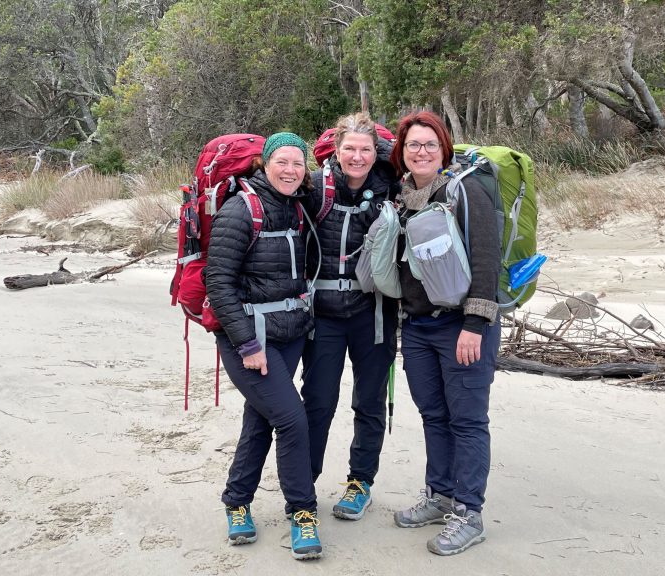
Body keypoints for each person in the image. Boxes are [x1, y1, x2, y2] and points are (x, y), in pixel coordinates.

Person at [205, 132, 322, 561]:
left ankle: (237, 502)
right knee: (292, 420)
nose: (291, 170)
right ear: (265, 163)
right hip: (249, 340)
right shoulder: (241, 210)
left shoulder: (297, 205)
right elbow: (218, 283)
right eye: (283, 162)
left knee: (262, 419)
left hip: (290, 335)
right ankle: (302, 513)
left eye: (298, 163)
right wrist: (248, 344)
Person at [388, 111, 501, 556]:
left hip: (461, 326)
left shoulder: (465, 190)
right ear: (402, 152)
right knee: (434, 415)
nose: (421, 152)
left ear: (444, 150)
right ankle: (439, 495)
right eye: (413, 145)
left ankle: (469, 513)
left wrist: (475, 324)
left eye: (430, 144)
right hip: (417, 328)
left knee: (468, 420)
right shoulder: (400, 199)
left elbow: (486, 259)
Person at [300, 113, 399, 521]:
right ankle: (303, 481)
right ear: (336, 152)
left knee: (369, 402)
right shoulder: (314, 188)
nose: (358, 157)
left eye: (366, 149)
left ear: (376, 152)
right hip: (321, 315)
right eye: (350, 149)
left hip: (373, 313)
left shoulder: (392, 188)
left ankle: (360, 482)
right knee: (318, 401)